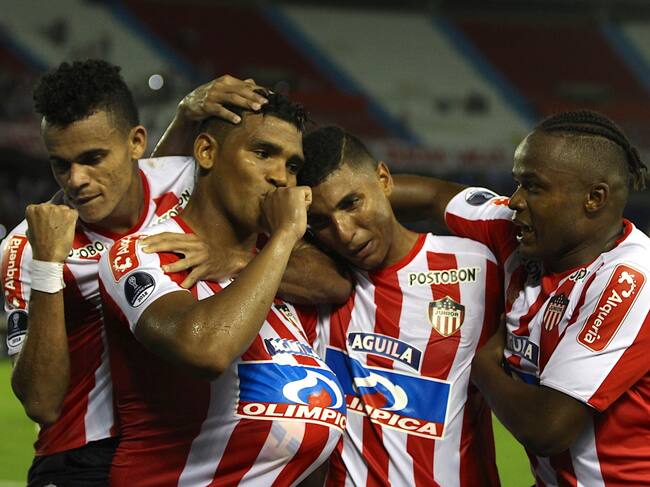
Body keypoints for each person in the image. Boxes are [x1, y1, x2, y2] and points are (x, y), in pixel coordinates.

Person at [0, 60, 345, 486]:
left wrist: (231, 257)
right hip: (82, 456)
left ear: (136, 142)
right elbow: (42, 404)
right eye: (60, 164)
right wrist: (47, 267)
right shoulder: (28, 245)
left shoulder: (179, 178)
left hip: (176, 434)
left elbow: (329, 275)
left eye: (93, 159)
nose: (77, 181)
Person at [97, 94, 347, 486]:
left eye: (292, 165)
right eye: (262, 153)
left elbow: (337, 282)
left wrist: (239, 258)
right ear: (207, 152)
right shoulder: (146, 252)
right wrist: (284, 234)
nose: (281, 178)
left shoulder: (272, 264)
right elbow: (206, 349)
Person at [391, 110, 650, 486]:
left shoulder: (630, 282)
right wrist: (313, 199)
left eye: (533, 187)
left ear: (594, 198)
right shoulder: (518, 231)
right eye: (517, 183)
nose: (514, 201)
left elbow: (547, 428)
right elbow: (433, 197)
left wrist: (482, 368)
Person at [298, 126, 502, 486]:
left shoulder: (478, 269)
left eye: (352, 203)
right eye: (321, 221)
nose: (344, 232)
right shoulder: (310, 286)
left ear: (384, 179)